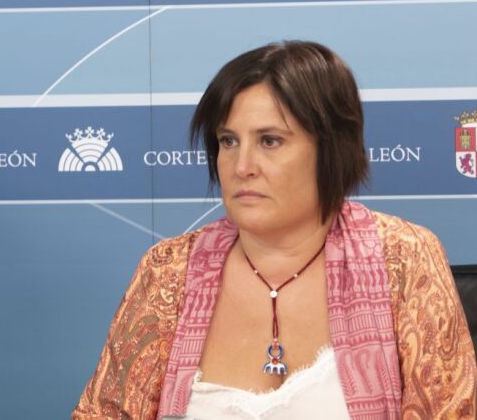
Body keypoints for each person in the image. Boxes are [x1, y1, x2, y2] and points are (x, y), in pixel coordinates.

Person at [73, 41, 476, 419]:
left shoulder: (404, 258)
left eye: (269, 141)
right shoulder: (167, 270)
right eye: (228, 141)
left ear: (332, 150)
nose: (242, 166)